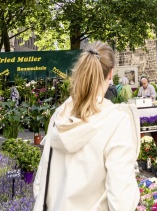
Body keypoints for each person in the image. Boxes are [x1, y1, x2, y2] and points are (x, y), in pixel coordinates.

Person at [33, 43, 138, 211]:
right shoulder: (116, 120)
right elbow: (121, 201)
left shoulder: (60, 115)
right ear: (110, 74)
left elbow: (41, 182)